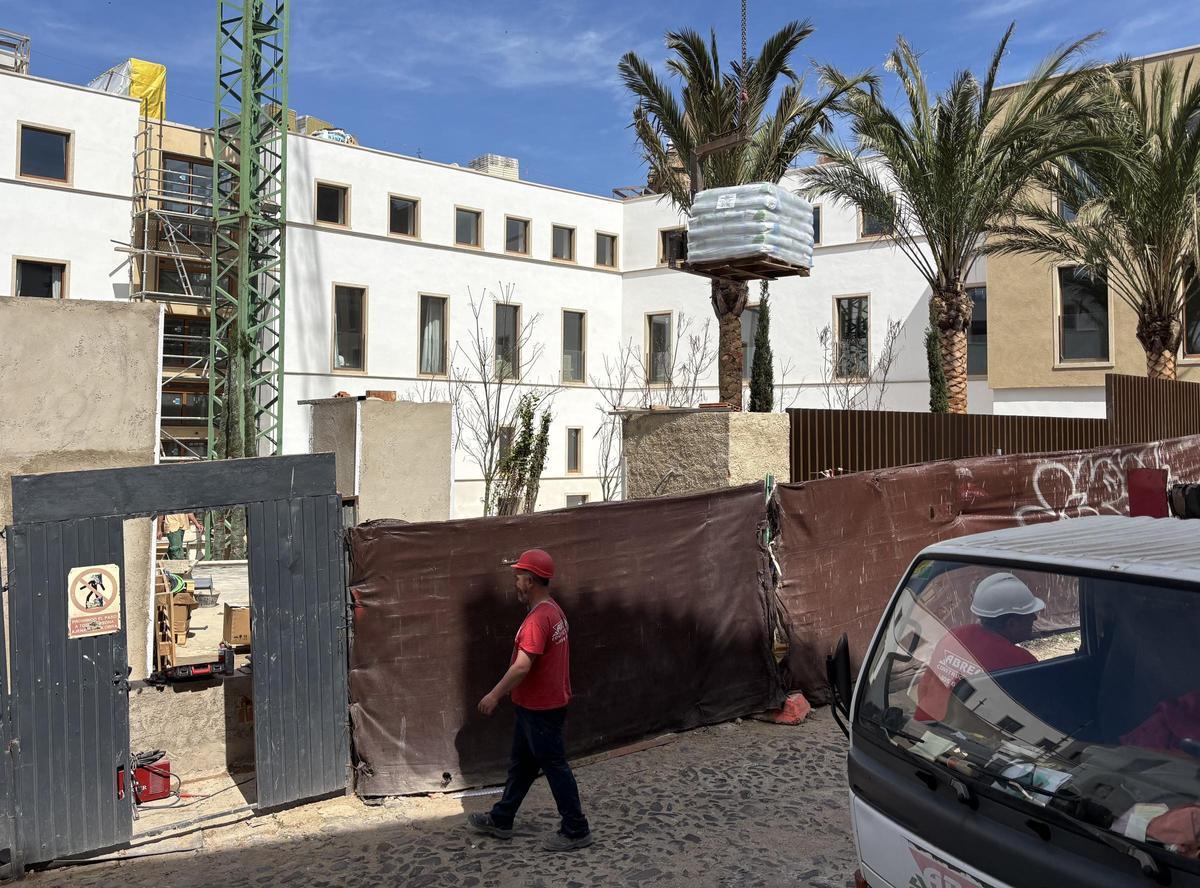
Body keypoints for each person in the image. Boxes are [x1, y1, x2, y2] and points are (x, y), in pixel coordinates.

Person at [467, 548, 593, 851]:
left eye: (519, 577)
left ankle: (576, 829)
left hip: (541, 709)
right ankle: (502, 818)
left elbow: (523, 665)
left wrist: (494, 694)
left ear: (532, 581)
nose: (515, 582)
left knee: (555, 767)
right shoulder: (554, 611)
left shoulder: (538, 620)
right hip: (537, 707)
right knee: (522, 766)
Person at [915, 572, 1045, 722]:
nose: (1035, 618)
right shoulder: (1021, 662)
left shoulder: (955, 635)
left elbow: (925, 685)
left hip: (926, 722)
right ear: (1011, 623)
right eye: (1029, 614)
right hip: (964, 736)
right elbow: (1035, 714)